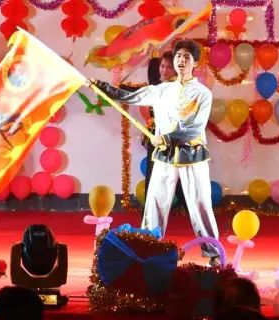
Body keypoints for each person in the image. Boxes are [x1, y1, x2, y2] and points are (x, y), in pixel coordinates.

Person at [92, 40, 221, 266]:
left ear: (195, 63)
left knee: (200, 205)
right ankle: (147, 250)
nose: (181, 60)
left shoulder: (203, 94)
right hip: (165, 156)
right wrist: (102, 87)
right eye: (178, 56)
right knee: (155, 204)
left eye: (186, 57)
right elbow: (130, 96)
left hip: (192, 156)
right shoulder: (161, 90)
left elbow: (195, 128)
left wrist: (168, 137)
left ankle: (214, 254)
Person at [141, 51, 176, 196]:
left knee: (176, 178)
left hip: (172, 137)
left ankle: (191, 207)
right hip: (155, 136)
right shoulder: (156, 86)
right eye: (162, 66)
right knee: (152, 174)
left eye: (169, 67)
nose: (164, 70)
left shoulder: (177, 87)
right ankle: (149, 209)